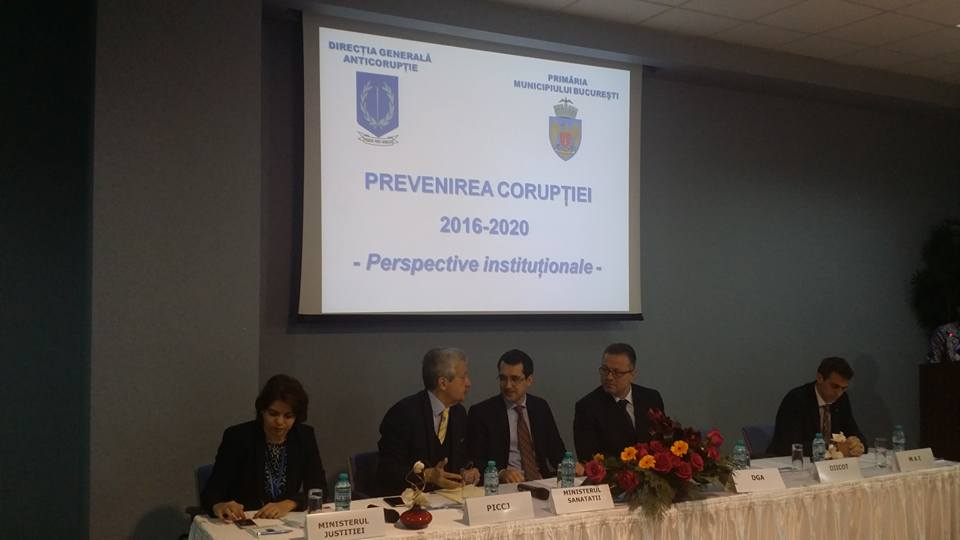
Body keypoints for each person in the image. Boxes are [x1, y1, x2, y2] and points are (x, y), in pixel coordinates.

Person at [201, 374, 325, 521]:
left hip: (285, 520)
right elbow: (211, 493)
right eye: (273, 414)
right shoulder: (238, 437)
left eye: (288, 416)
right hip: (245, 519)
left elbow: (319, 489)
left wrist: (289, 504)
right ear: (262, 411)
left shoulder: (304, 436)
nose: (280, 422)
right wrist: (219, 505)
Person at [376, 347, 481, 495]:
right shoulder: (403, 414)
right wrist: (426, 475)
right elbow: (387, 471)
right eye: (463, 377)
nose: (468, 383)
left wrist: (466, 471)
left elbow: (460, 459)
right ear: (443, 383)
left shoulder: (459, 413)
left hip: (449, 499)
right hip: (411, 499)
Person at [467, 349, 582, 483]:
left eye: (515, 379)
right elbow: (474, 460)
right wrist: (500, 472)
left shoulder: (540, 407)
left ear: (529, 380)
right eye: (503, 378)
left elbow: (556, 451)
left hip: (540, 481)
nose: (508, 385)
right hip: (505, 485)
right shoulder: (482, 412)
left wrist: (570, 465)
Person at [573, 343, 665, 460]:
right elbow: (587, 457)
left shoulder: (651, 398)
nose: (609, 377)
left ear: (632, 374)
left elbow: (662, 441)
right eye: (605, 370)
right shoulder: (587, 407)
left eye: (617, 372)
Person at [768, 357, 865, 456]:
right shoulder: (796, 399)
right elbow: (790, 445)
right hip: (787, 461)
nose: (839, 393)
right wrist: (834, 448)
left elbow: (855, 433)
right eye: (834, 386)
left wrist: (856, 445)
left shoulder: (842, 399)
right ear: (819, 378)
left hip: (829, 463)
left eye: (843, 388)